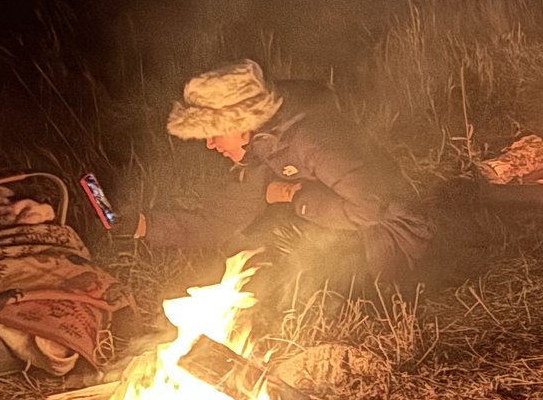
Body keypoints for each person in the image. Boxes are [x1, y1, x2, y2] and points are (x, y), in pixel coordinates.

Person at [139, 59, 430, 287]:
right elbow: (219, 221)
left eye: (213, 133)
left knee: (283, 286)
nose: (210, 144)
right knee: (266, 272)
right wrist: (144, 226)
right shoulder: (263, 146)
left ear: (241, 122)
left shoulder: (310, 138)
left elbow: (373, 206)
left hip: (403, 244)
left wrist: (296, 196)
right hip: (347, 241)